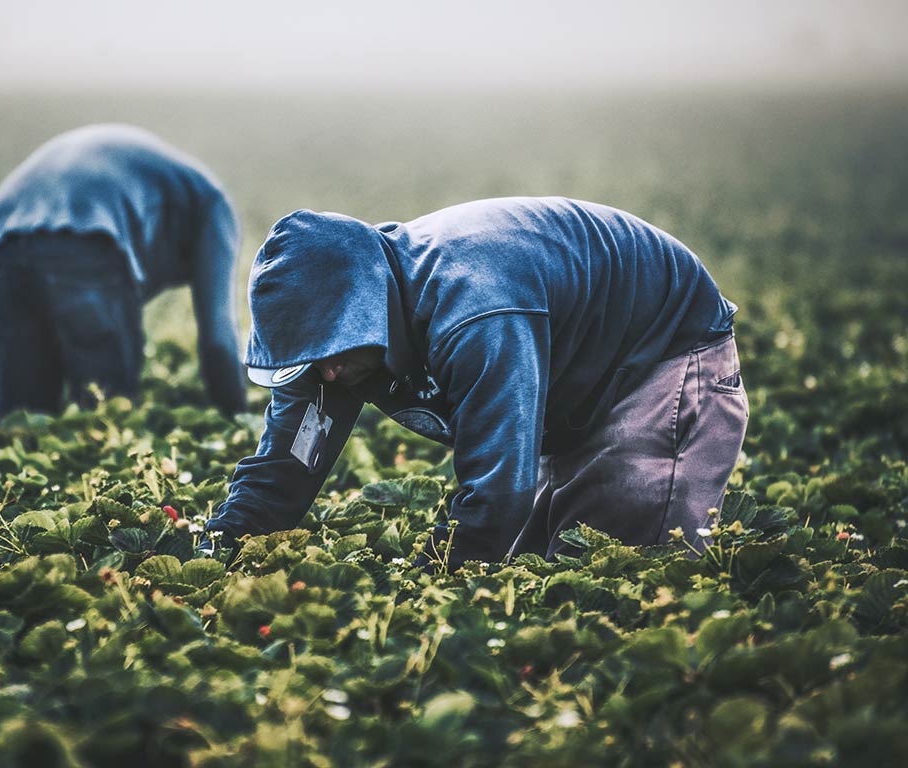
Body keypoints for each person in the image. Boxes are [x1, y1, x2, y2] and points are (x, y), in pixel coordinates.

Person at [204, 197, 749, 569]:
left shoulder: (475, 309)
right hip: (570, 375)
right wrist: (218, 548)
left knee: (627, 566)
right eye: (310, 358)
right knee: (545, 567)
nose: (326, 375)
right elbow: (287, 466)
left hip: (662, 354)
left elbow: (498, 491)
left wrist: (428, 580)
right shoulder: (334, 352)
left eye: (334, 352)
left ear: (367, 310)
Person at [0, 123, 247, 419]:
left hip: (4, 234)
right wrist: (237, 416)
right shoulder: (215, 207)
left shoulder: (175, 189)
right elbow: (218, 339)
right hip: (88, 233)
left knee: (21, 420)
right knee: (105, 415)